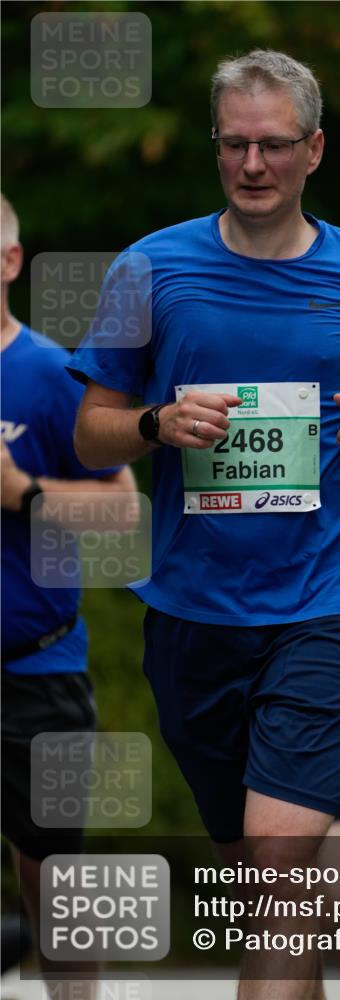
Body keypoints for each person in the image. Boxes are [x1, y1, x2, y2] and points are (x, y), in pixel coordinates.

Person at [65, 50, 340, 1000]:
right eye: (234, 144)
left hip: (326, 601)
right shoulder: (152, 266)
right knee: (258, 878)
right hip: (195, 612)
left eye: (272, 145)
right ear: (216, 147)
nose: (252, 164)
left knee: (278, 861)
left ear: (314, 150)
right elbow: (93, 423)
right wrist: (153, 423)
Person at [1, 193, 137, 999]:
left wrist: (23, 493)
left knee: (52, 886)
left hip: (36, 669)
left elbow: (123, 508)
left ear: (11, 262)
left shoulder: (50, 372)